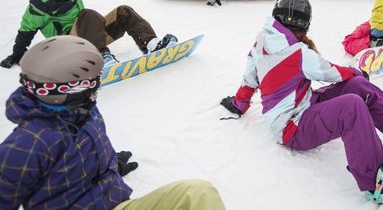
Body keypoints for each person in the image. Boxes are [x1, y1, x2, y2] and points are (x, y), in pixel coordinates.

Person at [220, 0, 383, 204]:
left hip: (303, 105)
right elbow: (329, 72)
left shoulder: (262, 41)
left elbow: (249, 77)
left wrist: (239, 104)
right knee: (351, 106)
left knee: (357, 87)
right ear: (304, 24)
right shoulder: (298, 53)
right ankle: (376, 180)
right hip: (292, 129)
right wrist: (357, 71)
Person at [0, 35, 226, 210]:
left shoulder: (84, 111)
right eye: (91, 85)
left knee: (197, 193)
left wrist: (107, 166)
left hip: (115, 204)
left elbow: (86, 148)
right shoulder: (25, 144)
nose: (97, 89)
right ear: (60, 92)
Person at [0, 0, 178, 69]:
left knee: (124, 12)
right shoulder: (38, 5)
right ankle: (100, 58)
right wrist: (17, 54)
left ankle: (151, 44)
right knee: (88, 14)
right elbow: (26, 31)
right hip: (66, 47)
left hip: (88, 38)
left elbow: (84, 22)